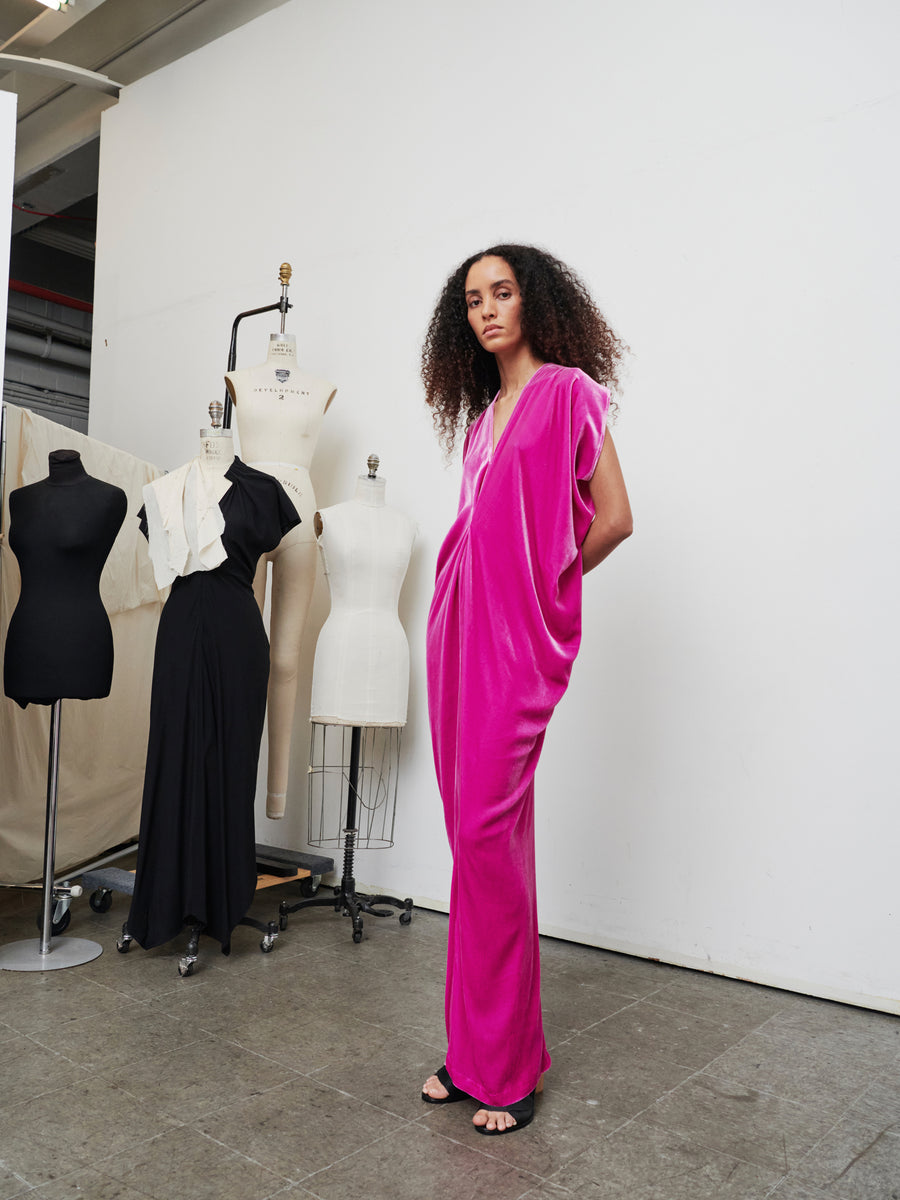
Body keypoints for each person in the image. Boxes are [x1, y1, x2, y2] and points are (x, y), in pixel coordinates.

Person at [420, 244, 633, 1134]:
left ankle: (510, 1068)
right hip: (454, 634)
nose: (488, 310)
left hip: (517, 645)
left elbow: (616, 517)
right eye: (473, 300)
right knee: (471, 848)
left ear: (535, 301)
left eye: (502, 293)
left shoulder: (569, 394)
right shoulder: (481, 419)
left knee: (488, 837)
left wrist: (549, 583)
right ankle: (471, 1052)